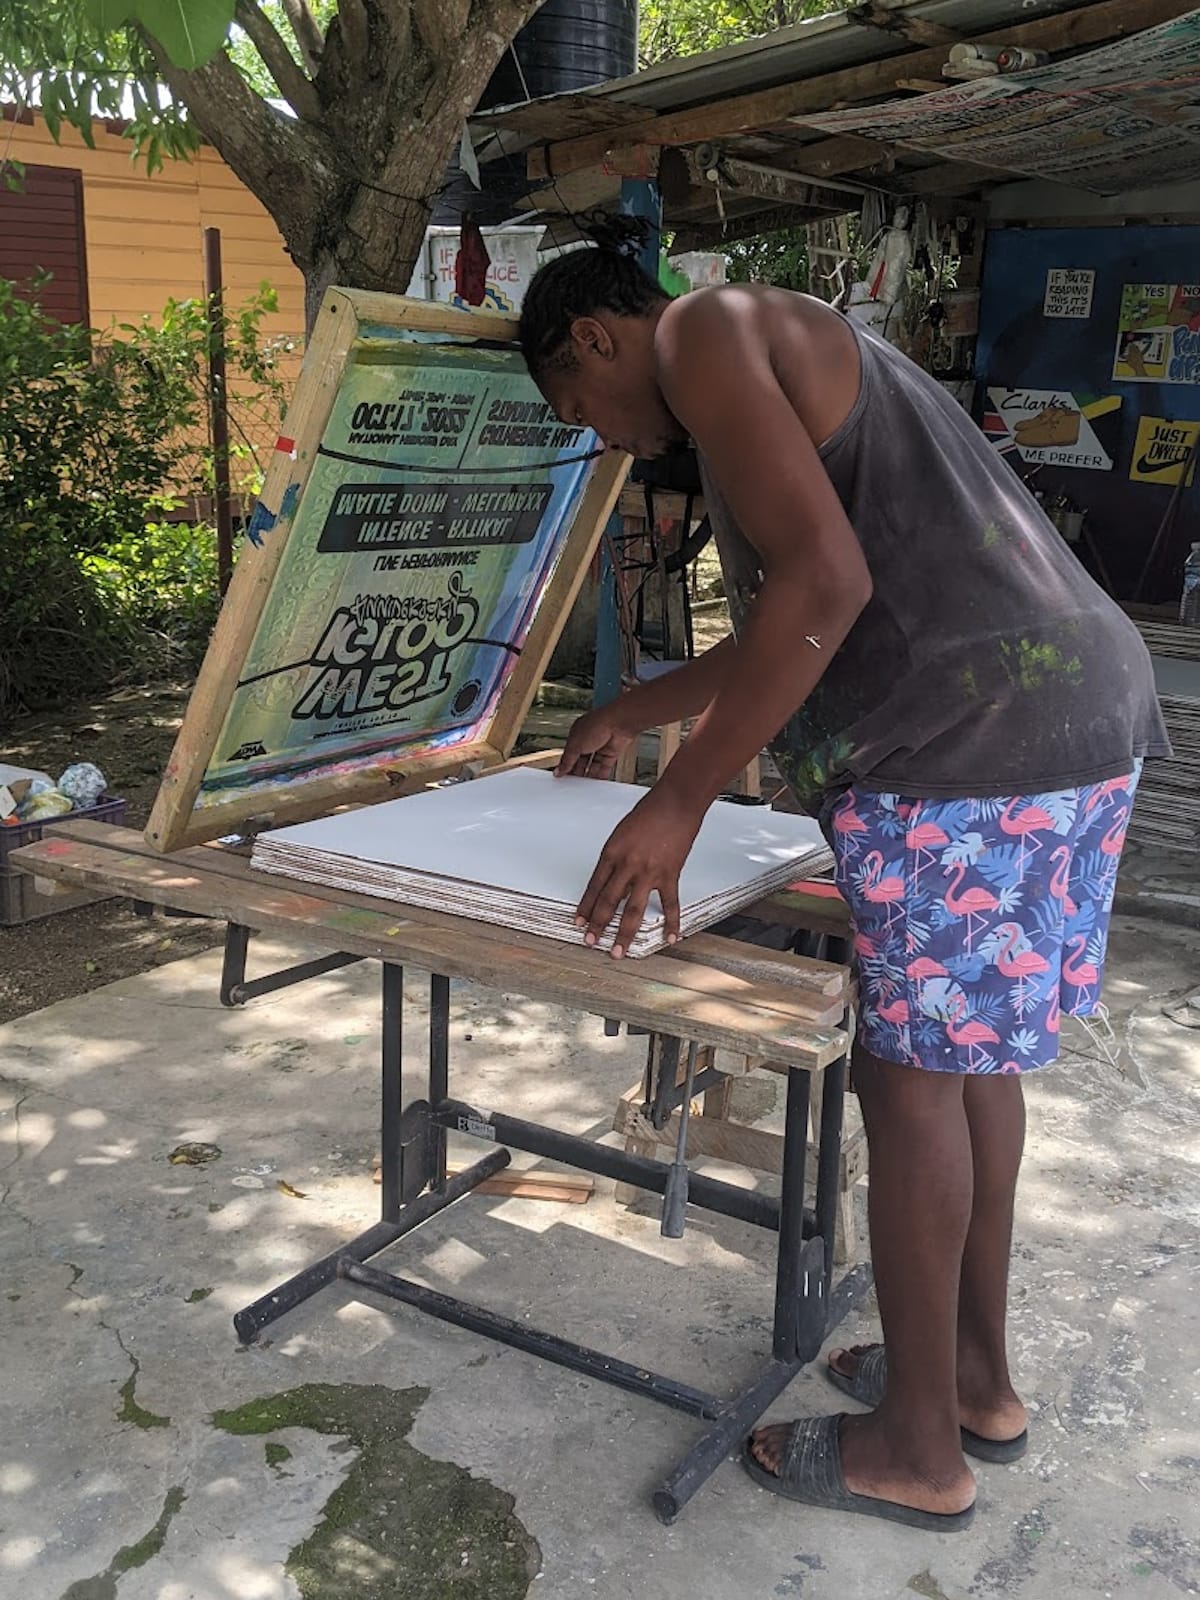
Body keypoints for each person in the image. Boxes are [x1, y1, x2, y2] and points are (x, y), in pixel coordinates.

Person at [516, 229, 1168, 1532]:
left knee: (908, 1081)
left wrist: (678, 803)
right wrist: (637, 709)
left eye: (579, 407)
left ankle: (918, 1449)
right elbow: (806, 613)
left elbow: (825, 581)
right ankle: (972, 1381)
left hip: (968, 747)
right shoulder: (772, 344)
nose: (605, 438)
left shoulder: (702, 334)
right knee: (969, 1068)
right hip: (1067, 716)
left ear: (595, 338)